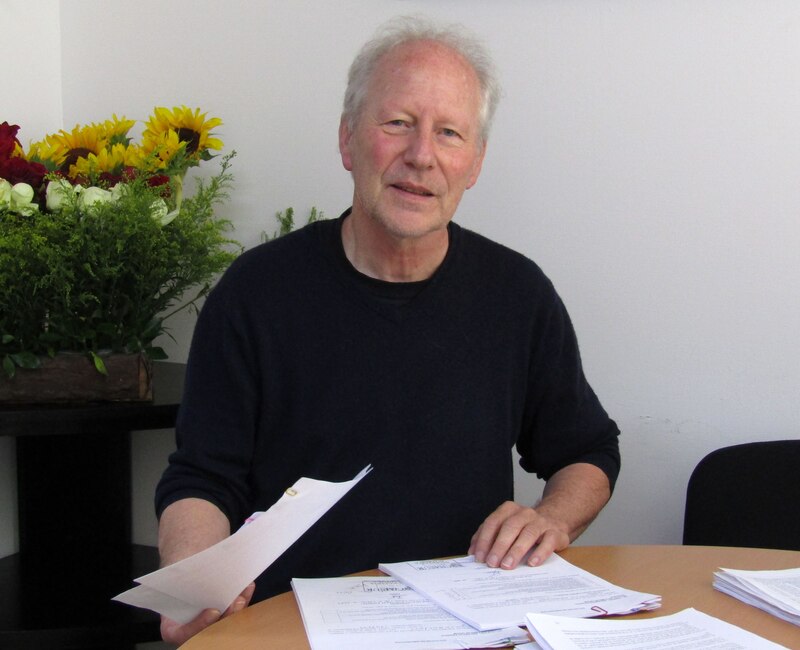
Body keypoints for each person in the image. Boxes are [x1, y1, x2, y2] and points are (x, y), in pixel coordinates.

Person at [155, 15, 621, 645]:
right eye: (397, 123)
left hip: (468, 628)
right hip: (291, 629)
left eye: (449, 133)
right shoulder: (257, 292)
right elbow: (201, 478)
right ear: (348, 141)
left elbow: (588, 452)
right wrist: (192, 585)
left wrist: (552, 521)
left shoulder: (518, 294)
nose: (421, 155)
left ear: (474, 162)